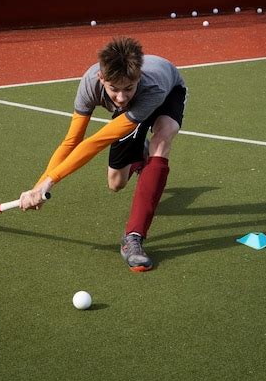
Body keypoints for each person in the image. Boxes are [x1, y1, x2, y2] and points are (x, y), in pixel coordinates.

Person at [19, 36, 187, 272]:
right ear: (101, 78)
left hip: (168, 94)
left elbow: (96, 142)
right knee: (116, 183)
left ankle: (133, 238)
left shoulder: (152, 87)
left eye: (128, 88)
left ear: (137, 77)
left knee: (162, 138)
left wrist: (50, 182)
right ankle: (141, 155)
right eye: (113, 89)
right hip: (130, 114)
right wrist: (39, 187)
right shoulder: (89, 84)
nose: (120, 97)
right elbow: (72, 141)